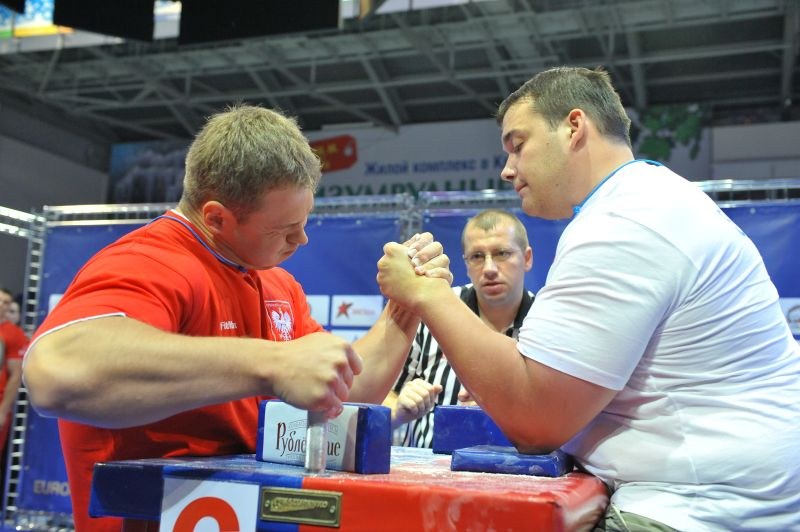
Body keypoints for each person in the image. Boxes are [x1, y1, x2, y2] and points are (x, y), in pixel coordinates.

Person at [376, 66, 800, 530]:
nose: (507, 169)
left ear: (574, 127)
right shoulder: (650, 200)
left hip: (696, 509)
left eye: (518, 144)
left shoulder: (625, 222)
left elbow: (536, 422)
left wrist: (426, 293)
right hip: (729, 497)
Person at [21, 104, 449, 532]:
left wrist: (407, 305)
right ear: (216, 218)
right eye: (284, 229)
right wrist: (271, 364)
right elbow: (56, 372)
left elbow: (345, 389)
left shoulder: (275, 282)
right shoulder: (149, 261)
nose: (302, 239)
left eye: (303, 222)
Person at [383, 209, 534, 447]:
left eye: (502, 253)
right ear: (466, 263)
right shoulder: (430, 309)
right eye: (477, 256)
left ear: (527, 258)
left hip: (516, 467)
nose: (489, 268)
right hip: (426, 466)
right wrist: (398, 411)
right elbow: (380, 396)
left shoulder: (545, 322)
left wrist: (505, 408)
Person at [0, 288, 25, 470]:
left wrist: (3, 411)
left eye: (6, 302)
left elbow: (16, 376)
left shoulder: (15, 334)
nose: (2, 304)